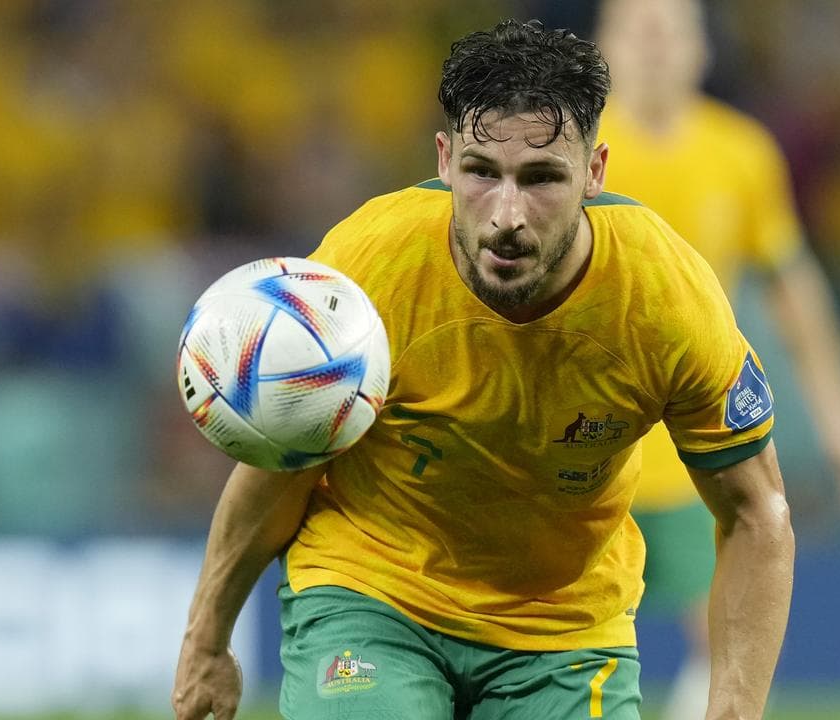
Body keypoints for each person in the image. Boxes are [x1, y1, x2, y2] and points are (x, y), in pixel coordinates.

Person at [173, 18, 794, 720]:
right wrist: (206, 640)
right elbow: (282, 461)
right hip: (373, 590)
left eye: (540, 179)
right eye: (481, 173)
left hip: (563, 629)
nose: (506, 216)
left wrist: (735, 712)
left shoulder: (665, 301)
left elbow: (757, 512)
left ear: (595, 172)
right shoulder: (367, 269)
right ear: (443, 160)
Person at [594, 0, 840, 716]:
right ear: (604, 47)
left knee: (724, 633)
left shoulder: (742, 153)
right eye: (639, 30)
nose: (657, 46)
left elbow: (795, 290)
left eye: (673, 30)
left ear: (702, 51)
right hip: (587, 433)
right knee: (565, 630)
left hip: (697, 433)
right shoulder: (572, 148)